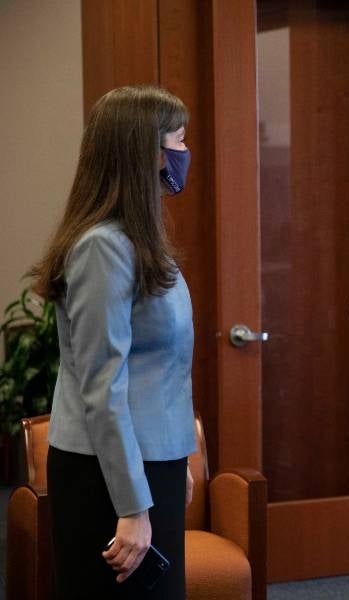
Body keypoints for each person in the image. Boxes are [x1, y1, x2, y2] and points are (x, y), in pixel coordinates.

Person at [30, 85, 196, 599]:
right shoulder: (102, 248)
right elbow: (103, 387)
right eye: (178, 140)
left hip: (149, 465)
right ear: (145, 151)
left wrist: (174, 460)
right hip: (109, 477)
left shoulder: (138, 240)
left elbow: (161, 369)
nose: (184, 153)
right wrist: (132, 506)